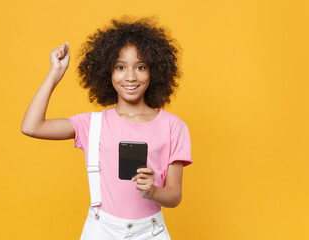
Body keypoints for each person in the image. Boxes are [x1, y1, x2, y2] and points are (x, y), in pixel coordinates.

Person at [21, 17, 192, 240]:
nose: (130, 76)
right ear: (107, 73)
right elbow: (31, 127)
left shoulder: (173, 126)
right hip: (101, 230)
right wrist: (55, 73)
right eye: (120, 67)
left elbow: (175, 196)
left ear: (154, 71)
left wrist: (153, 191)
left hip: (151, 232)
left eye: (140, 67)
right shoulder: (92, 124)